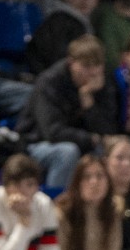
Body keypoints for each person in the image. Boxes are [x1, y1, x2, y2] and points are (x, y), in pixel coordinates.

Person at [17, 35, 118, 189]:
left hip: (81, 142)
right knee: (67, 152)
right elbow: (52, 132)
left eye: (97, 65)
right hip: (35, 144)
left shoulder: (103, 82)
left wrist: (88, 104)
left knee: (118, 150)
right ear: (71, 63)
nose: (93, 72)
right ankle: (58, 201)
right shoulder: (49, 82)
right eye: (86, 66)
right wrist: (91, 139)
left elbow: (108, 130)